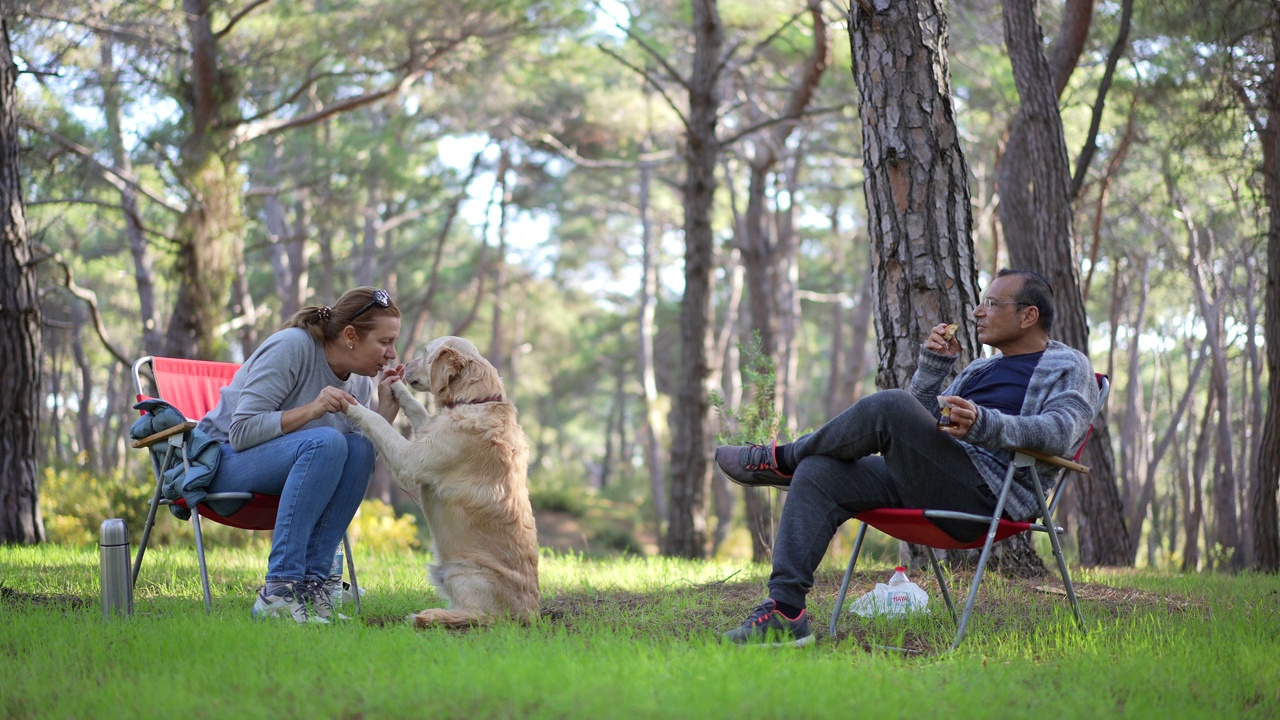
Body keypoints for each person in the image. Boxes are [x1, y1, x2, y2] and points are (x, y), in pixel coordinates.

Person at [714, 269, 1099, 646]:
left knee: (890, 405)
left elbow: (1060, 433)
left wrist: (985, 423)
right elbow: (920, 422)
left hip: (989, 494)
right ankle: (785, 613)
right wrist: (933, 368)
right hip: (935, 479)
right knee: (820, 469)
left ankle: (781, 458)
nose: (978, 312)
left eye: (991, 303)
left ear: (1028, 315)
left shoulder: (1069, 366)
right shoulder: (982, 368)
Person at [197, 286, 405, 624]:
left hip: (292, 468)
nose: (392, 354)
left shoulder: (361, 382)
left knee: (359, 446)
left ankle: (313, 588)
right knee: (325, 441)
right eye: (384, 342)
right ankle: (279, 592)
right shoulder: (292, 347)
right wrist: (313, 409)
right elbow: (241, 433)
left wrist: (385, 413)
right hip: (219, 464)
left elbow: (351, 464)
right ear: (351, 335)